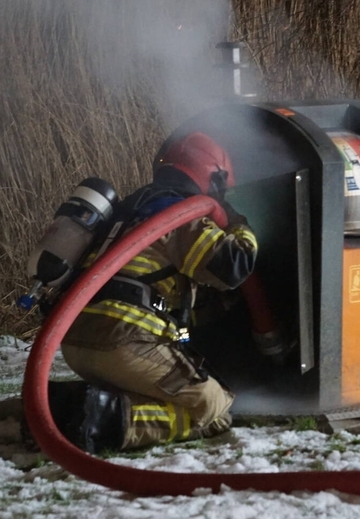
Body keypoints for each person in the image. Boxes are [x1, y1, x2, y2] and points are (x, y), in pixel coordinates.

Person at [50, 131, 258, 453]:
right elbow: (234, 264)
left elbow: (174, 306)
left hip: (76, 341)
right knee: (214, 410)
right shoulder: (180, 215)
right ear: (212, 178)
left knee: (173, 393)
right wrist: (236, 220)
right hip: (123, 342)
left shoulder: (129, 210)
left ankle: (72, 406)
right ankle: (99, 420)